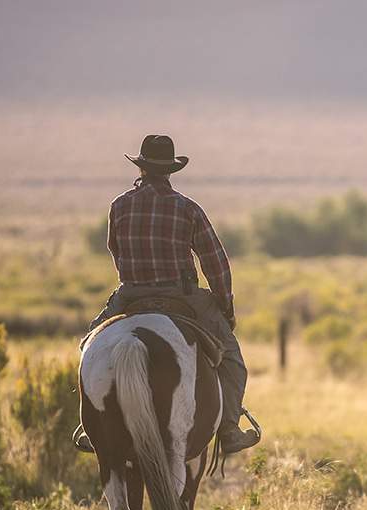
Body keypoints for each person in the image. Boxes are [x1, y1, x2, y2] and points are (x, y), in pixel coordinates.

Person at [73, 134, 257, 455]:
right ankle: (228, 428)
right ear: (170, 170)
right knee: (231, 359)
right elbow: (216, 264)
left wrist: (135, 280)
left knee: (89, 347)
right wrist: (224, 307)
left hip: (130, 295)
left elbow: (116, 253)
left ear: (141, 168)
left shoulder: (119, 206)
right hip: (181, 296)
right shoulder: (188, 209)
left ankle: (96, 424)